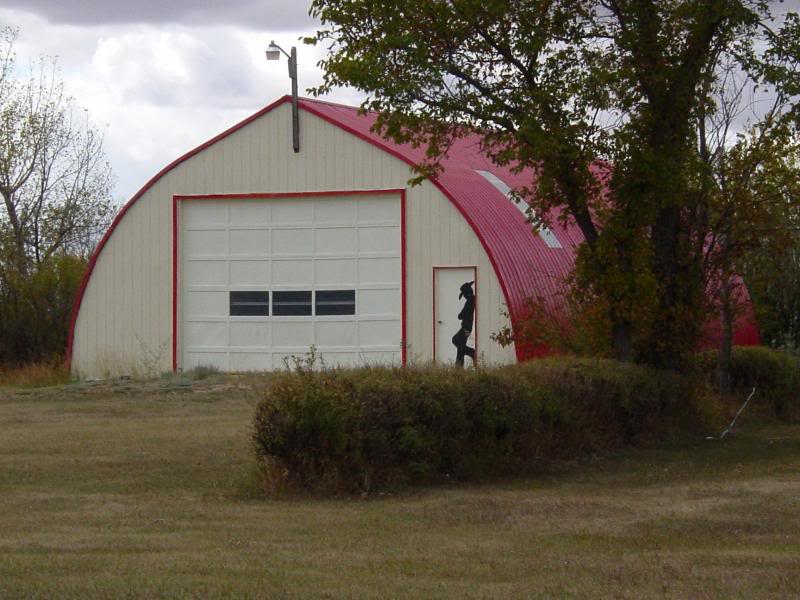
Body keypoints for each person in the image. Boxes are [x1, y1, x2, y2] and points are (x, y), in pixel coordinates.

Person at [452, 281, 475, 367]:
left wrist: (460, 315)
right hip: (467, 327)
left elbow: (462, 314)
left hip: (466, 328)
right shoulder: (471, 300)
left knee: (456, 340)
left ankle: (472, 352)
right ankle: (458, 366)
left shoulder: (470, 302)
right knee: (460, 345)